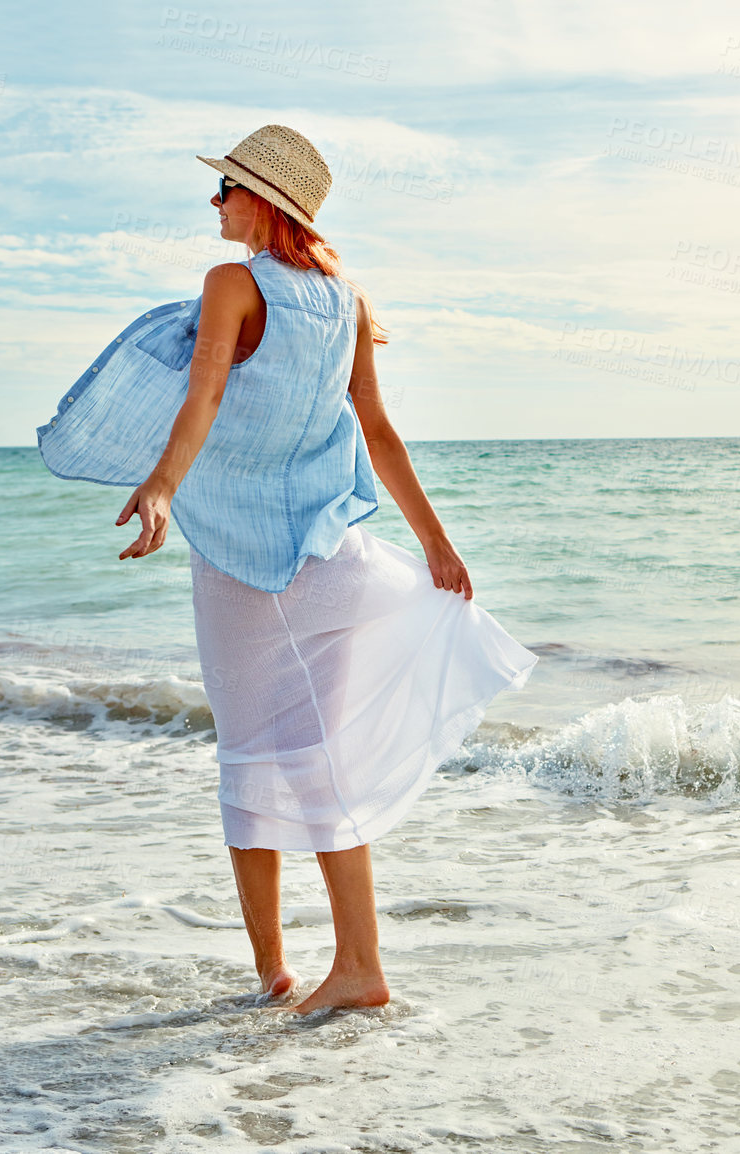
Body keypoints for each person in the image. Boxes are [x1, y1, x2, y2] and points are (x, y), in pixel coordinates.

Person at [37, 125, 537, 1014]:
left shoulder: (231, 284)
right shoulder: (345, 299)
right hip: (330, 554)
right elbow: (378, 433)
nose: (216, 203)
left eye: (227, 189)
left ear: (263, 201)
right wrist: (436, 544)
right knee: (313, 758)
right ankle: (341, 965)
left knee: (258, 759)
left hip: (243, 564)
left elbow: (207, 394)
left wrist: (161, 484)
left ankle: (305, 971)